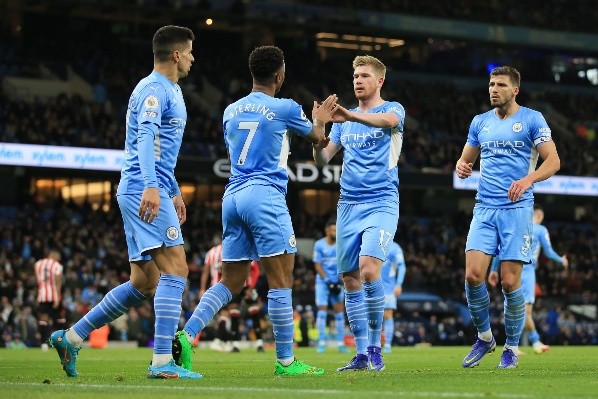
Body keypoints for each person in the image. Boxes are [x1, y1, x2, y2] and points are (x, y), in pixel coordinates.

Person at [172, 45, 338, 376]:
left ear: (252, 74)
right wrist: (320, 120)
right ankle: (287, 361)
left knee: (230, 280)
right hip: (265, 195)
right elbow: (318, 139)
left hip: (232, 197)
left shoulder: (230, 110)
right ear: (280, 75)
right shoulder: (286, 107)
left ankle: (188, 334)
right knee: (282, 278)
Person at [49, 25, 201, 379]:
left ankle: (71, 337)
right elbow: (146, 137)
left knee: (144, 283)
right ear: (176, 54)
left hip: (149, 186)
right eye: (191, 52)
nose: (193, 58)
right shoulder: (153, 89)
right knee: (177, 269)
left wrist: (173, 187)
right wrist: (152, 185)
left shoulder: (171, 90)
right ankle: (162, 361)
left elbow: (163, 151)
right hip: (141, 189)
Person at [456, 66, 561, 369]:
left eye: (501, 85)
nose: (494, 89)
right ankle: (485, 337)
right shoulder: (480, 122)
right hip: (484, 207)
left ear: (515, 90)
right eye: (491, 84)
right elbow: (465, 160)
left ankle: (511, 348)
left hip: (517, 209)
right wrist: (462, 167)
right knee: (473, 275)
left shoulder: (531, 119)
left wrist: (528, 181)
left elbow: (553, 160)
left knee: (510, 282)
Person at [313, 55, 406, 372]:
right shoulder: (343, 125)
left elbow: (388, 122)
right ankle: (362, 355)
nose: (357, 80)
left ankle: (376, 349)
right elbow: (323, 160)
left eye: (364, 75)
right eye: (355, 75)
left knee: (368, 271)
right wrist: (319, 128)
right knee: (350, 281)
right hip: (348, 205)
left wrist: (348, 115)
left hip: (381, 201)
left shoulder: (393, 109)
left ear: (379, 81)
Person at [488, 204, 568, 354]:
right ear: (539, 216)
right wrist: (561, 260)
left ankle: (514, 345)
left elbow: (500, 249)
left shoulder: (516, 226)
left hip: (510, 268)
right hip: (527, 270)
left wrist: (493, 269)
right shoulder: (540, 229)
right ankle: (533, 342)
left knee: (513, 308)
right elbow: (549, 252)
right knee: (526, 311)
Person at [312, 218, 349, 354]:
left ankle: (340, 343)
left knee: (339, 312)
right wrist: (328, 280)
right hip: (323, 282)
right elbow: (317, 264)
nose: (335, 232)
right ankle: (321, 343)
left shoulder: (341, 244)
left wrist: (339, 281)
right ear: (327, 231)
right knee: (322, 310)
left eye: (336, 230)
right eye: (333, 230)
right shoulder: (319, 245)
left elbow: (344, 263)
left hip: (338, 281)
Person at [34, 249, 65, 350]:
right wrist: (57, 297)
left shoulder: (38, 264)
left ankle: (43, 343)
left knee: (43, 319)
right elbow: (58, 281)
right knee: (59, 318)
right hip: (53, 295)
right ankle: (60, 342)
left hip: (42, 295)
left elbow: (38, 279)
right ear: (54, 255)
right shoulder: (57, 266)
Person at [380, 241, 406, 354]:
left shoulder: (394, 247)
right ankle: (373, 344)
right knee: (371, 315)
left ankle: (387, 345)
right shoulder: (371, 243)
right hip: (371, 286)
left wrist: (399, 284)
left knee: (388, 315)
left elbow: (402, 266)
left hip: (388, 288)